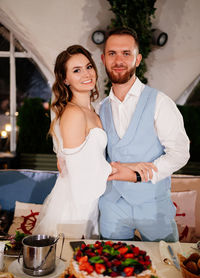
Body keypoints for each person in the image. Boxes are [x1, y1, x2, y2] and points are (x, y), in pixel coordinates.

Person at [98, 27, 190, 242]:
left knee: (167, 268)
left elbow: (180, 153)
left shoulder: (160, 102)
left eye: (126, 53)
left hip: (153, 207)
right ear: (103, 59)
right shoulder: (98, 108)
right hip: (111, 207)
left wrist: (139, 175)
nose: (118, 60)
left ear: (138, 59)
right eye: (112, 53)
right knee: (111, 271)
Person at [33, 45, 113, 238]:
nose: (86, 74)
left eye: (88, 66)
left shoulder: (92, 110)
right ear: (65, 79)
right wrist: (117, 170)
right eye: (76, 70)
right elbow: (77, 173)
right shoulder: (74, 113)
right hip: (77, 204)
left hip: (92, 198)